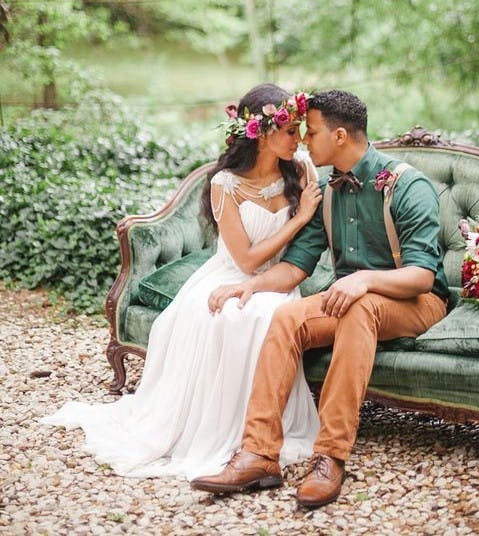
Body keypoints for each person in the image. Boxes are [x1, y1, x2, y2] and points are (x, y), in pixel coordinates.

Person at [41, 83, 322, 479]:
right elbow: (244, 259)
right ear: (262, 134)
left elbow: (289, 254)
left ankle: (260, 431)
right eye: (291, 131)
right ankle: (222, 430)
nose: (299, 138)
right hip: (232, 273)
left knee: (262, 316)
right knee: (226, 314)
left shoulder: (302, 167)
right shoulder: (225, 184)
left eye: (298, 130)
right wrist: (298, 218)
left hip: (278, 278)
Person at [191, 90, 449, 507]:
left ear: (341, 136)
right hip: (351, 303)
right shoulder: (326, 189)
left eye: (310, 133)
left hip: (416, 304)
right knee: (287, 317)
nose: (304, 143)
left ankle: (329, 456)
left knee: (359, 305)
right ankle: (258, 454)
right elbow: (296, 267)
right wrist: (249, 286)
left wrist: (364, 279)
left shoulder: (406, 184)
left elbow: (422, 277)